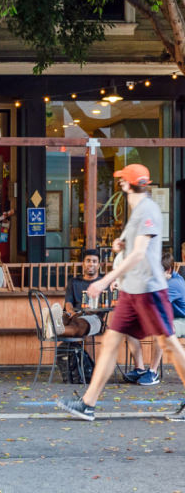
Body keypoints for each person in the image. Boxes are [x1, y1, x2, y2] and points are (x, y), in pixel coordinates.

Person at [56, 163, 185, 421]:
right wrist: (120, 244)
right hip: (131, 291)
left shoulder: (147, 209)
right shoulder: (137, 210)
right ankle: (87, 403)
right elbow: (134, 246)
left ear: (127, 184)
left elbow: (139, 254)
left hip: (148, 289)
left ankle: (87, 403)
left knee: (168, 343)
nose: (120, 184)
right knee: (111, 342)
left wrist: (106, 280)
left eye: (121, 181)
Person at [124, 252, 185, 385]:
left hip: (182, 319)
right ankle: (139, 368)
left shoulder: (174, 284)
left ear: (168, 270)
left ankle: (153, 372)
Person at [45, 249, 108, 339]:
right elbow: (68, 302)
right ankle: (52, 324)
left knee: (79, 325)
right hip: (73, 314)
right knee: (64, 318)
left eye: (94, 261)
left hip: (94, 318)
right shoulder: (74, 282)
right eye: (88, 261)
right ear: (83, 263)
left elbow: (105, 306)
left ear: (98, 265)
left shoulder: (103, 283)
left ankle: (52, 329)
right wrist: (72, 312)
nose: (91, 264)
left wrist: (83, 314)